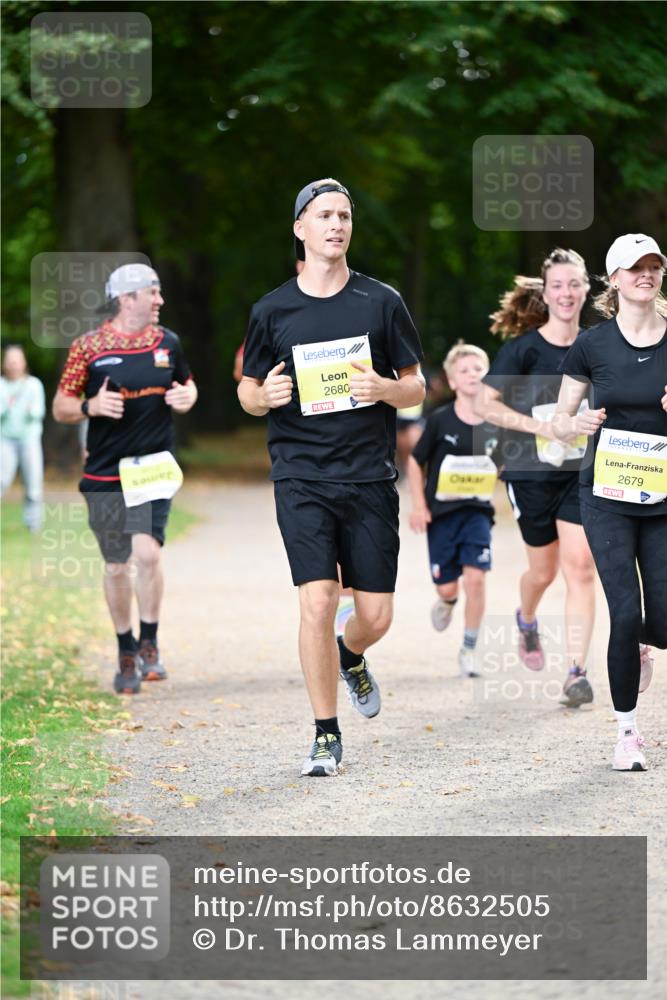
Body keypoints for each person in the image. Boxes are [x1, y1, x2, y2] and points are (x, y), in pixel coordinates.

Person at [238, 178, 424, 777]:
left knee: (375, 617)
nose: (336, 225)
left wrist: (385, 388)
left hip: (368, 478)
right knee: (317, 601)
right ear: (300, 228)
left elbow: (418, 385)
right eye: (324, 216)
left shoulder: (380, 302)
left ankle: (353, 654)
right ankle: (324, 733)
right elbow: (245, 390)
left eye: (344, 216)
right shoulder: (272, 310)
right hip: (300, 475)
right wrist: (261, 396)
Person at [52, 263, 197, 694]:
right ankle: (125, 648)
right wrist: (89, 407)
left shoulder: (166, 342)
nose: (160, 300)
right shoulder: (89, 348)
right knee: (117, 564)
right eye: (153, 293)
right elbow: (61, 405)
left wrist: (187, 396)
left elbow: (187, 386)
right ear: (127, 298)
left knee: (148, 555)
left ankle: (150, 642)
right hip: (104, 472)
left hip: (153, 468)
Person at [554, 234, 667, 771]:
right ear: (614, 280)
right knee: (624, 612)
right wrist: (574, 425)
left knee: (659, 620)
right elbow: (557, 422)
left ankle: (645, 640)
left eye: (653, 266)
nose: (645, 274)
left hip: (664, 495)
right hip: (607, 494)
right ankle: (627, 733)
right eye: (634, 267)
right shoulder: (591, 346)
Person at [475, 249, 596, 708]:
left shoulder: (597, 344)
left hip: (579, 474)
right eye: (557, 286)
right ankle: (526, 618)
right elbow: (486, 404)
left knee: (580, 569)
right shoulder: (524, 348)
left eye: (574, 284)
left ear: (586, 289)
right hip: (529, 474)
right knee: (543, 572)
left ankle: (575, 672)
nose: (566, 293)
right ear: (545, 294)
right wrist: (542, 425)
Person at [407, 343, 500, 677]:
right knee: (449, 587)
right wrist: (419, 506)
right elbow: (415, 462)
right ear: (452, 380)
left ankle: (470, 648)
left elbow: (503, 462)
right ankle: (446, 601)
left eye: (479, 368)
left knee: (475, 579)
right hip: (441, 514)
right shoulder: (440, 419)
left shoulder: (496, 420)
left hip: (476, 513)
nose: (472, 374)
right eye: (465, 370)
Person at [0, 344, 46, 533]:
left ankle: (33, 525)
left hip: (29, 439)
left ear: (23, 363)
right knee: (1, 480)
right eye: (9, 361)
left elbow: (38, 412)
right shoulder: (1, 385)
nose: (13, 365)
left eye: (16, 361)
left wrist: (29, 409)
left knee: (33, 483)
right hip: (5, 439)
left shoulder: (33, 384)